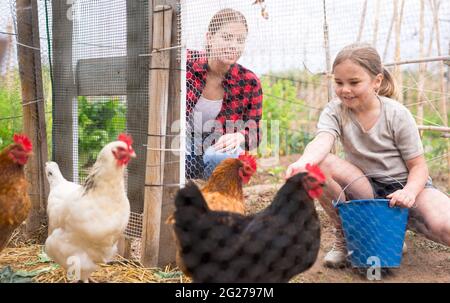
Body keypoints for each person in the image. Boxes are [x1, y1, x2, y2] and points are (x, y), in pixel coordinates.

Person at [285, 43, 450, 268]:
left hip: (406, 185)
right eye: (339, 82)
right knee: (318, 166)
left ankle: (389, 232)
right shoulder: (335, 111)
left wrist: (409, 193)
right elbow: (322, 141)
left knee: (445, 227)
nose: (345, 89)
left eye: (354, 82)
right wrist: (303, 163)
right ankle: (346, 237)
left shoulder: (397, 114)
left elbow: (419, 167)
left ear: (377, 81)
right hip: (363, 187)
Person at [185, 8, 263, 179]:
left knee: (222, 158)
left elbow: (255, 131)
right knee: (176, 154)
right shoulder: (185, 65)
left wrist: (239, 136)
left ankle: (219, 200)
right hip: (184, 141)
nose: (233, 45)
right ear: (209, 38)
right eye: (227, 37)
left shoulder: (249, 82)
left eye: (240, 40)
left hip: (217, 145)